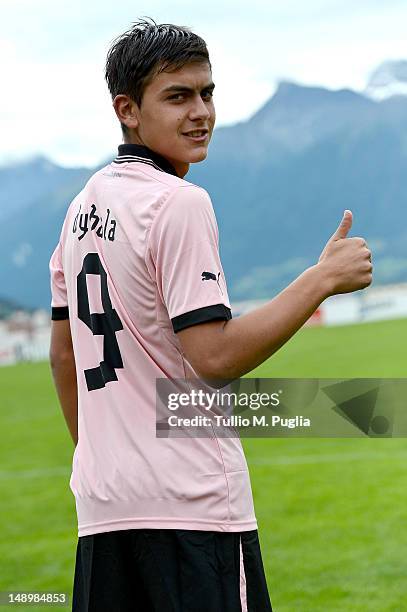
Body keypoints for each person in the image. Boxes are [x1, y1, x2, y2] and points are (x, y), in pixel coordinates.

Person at [49, 17, 372, 612]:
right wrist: (321, 279)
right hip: (192, 506)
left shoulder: (80, 209)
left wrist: (100, 459)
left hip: (104, 510)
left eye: (207, 92)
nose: (201, 112)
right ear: (128, 109)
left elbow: (65, 351)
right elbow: (214, 358)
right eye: (178, 96)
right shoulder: (179, 202)